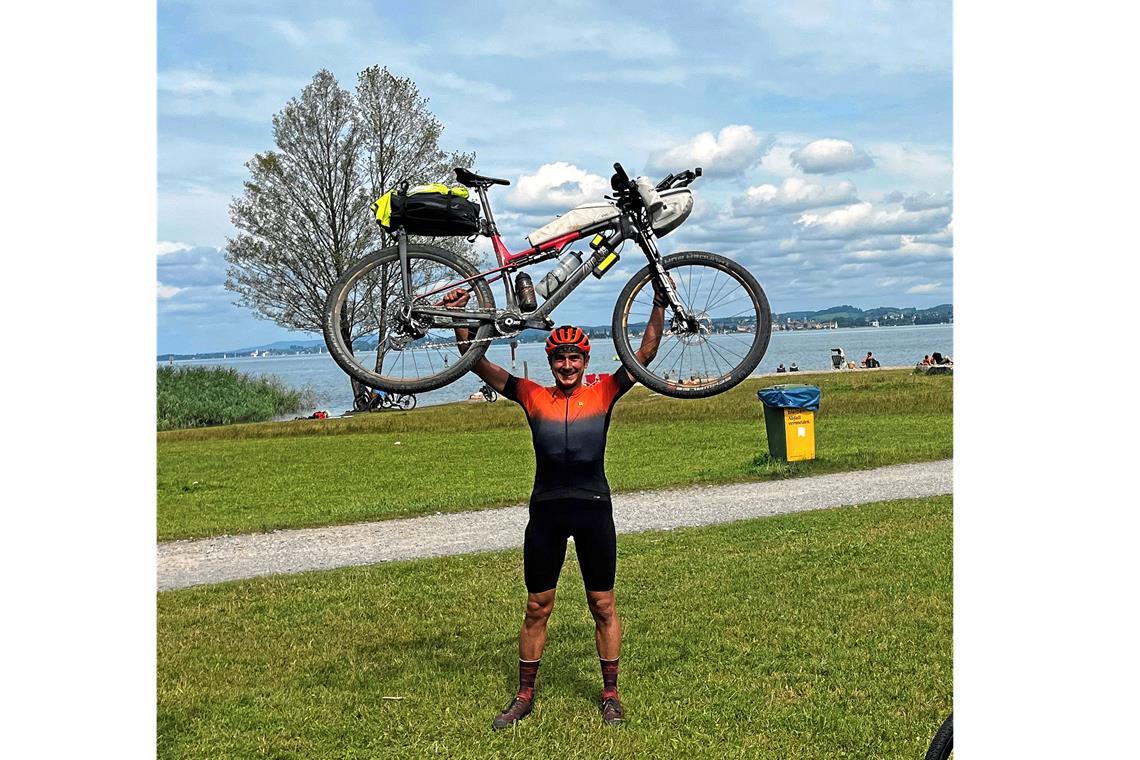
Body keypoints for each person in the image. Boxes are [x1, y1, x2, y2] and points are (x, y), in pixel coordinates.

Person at [442, 281, 666, 730]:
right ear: (550, 362)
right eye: (560, 358)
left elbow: (646, 351)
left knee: (602, 603)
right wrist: (460, 323)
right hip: (546, 511)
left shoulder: (604, 391)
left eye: (575, 358)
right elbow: (479, 366)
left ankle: (610, 694)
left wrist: (658, 299)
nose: (567, 364)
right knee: (537, 606)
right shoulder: (532, 395)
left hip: (593, 509)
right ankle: (524, 695)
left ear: (585, 362)